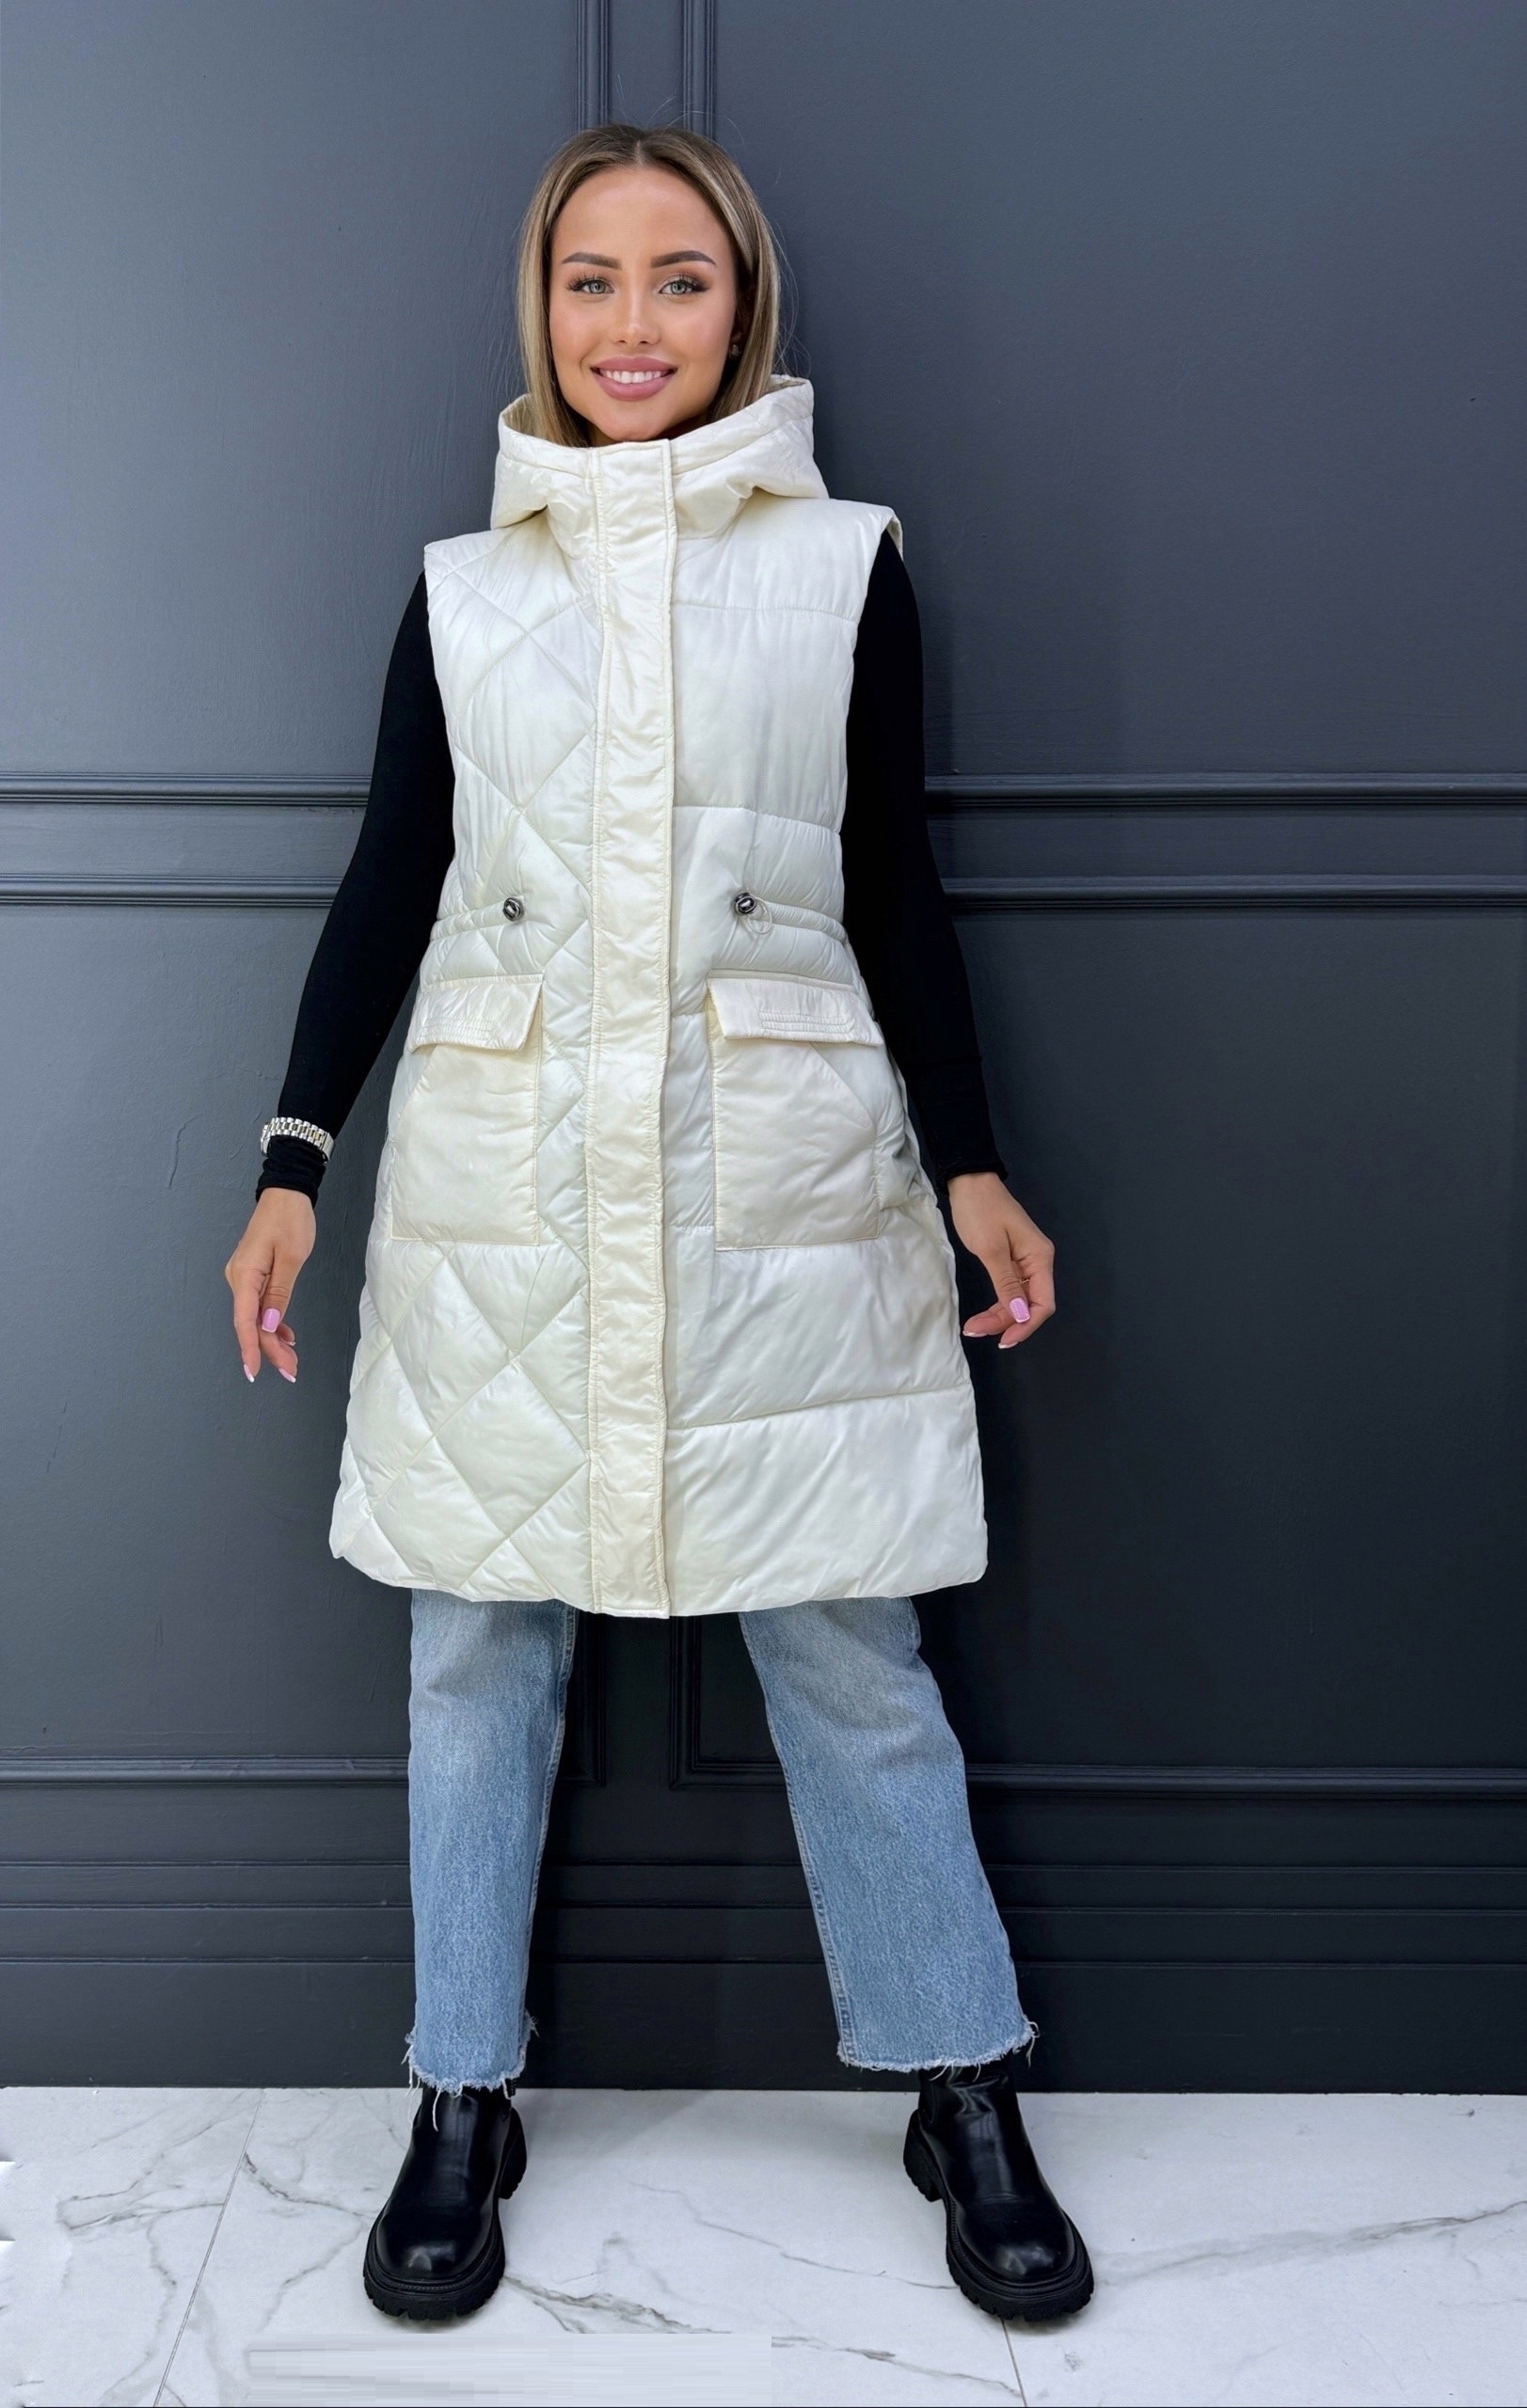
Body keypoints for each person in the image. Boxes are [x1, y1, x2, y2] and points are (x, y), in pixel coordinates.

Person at [224, 122, 1091, 2330]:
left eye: (679, 278)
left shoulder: (847, 567)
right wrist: (293, 1158)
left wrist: (973, 1160)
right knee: (475, 1645)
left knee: (848, 1639)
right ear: (543, 305)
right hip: (505, 1189)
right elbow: (389, 880)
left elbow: (892, 880)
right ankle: (460, 2093)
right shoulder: (465, 588)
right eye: (592, 279)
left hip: (780, 1174)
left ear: (741, 305)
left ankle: (962, 2077)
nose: (634, 323)